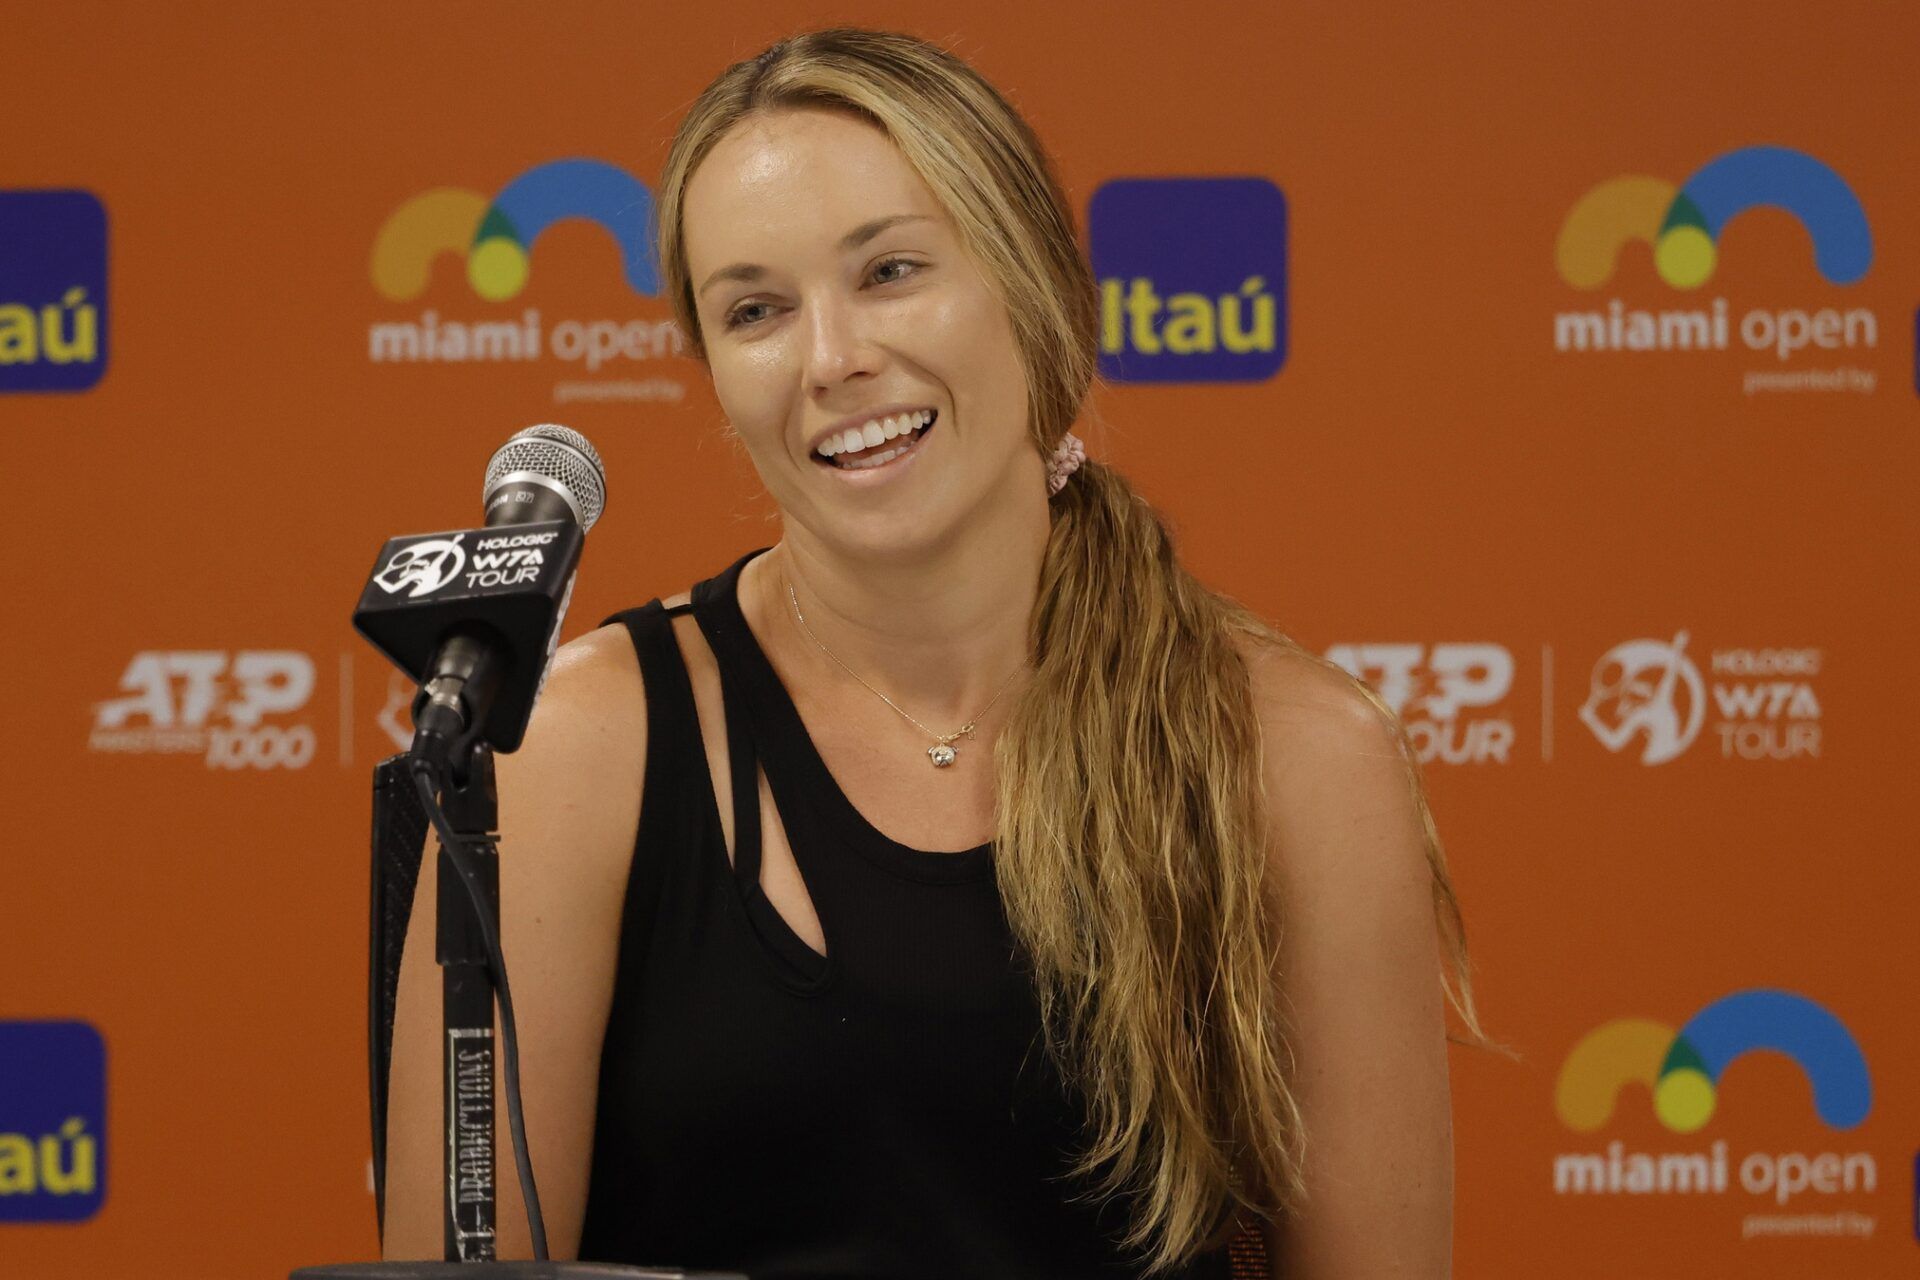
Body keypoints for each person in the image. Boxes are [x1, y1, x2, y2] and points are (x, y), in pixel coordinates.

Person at [382, 26, 1490, 1279]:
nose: (832, 359)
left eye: (892, 270)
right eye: (755, 308)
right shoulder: (574, 748)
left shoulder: (1296, 754)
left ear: (1036, 288)